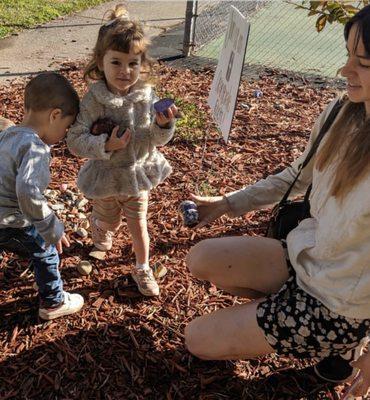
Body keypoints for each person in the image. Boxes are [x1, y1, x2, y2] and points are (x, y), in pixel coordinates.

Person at [184, 6, 370, 399]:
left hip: (339, 303)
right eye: (348, 54)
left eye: (363, 62)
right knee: (200, 258)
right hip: (304, 255)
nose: (344, 70)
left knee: (195, 340)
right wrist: (226, 203)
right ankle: (289, 317)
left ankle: (344, 341)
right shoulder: (342, 111)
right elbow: (296, 175)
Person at [67, 4, 177, 297]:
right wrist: (105, 145)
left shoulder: (146, 96)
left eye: (133, 63)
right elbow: (74, 141)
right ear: (100, 61)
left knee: (138, 223)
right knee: (109, 220)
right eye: (116, 62)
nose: (125, 71)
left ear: (143, 64)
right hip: (106, 177)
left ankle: (142, 265)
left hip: (137, 174)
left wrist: (163, 126)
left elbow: (155, 140)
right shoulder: (94, 100)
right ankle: (100, 229)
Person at [0, 72, 84, 320]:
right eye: (66, 126)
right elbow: (27, 191)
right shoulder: (35, 147)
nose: (64, 133)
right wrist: (50, 226)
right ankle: (53, 301)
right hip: (11, 220)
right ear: (54, 115)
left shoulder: (7, 135)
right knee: (45, 248)